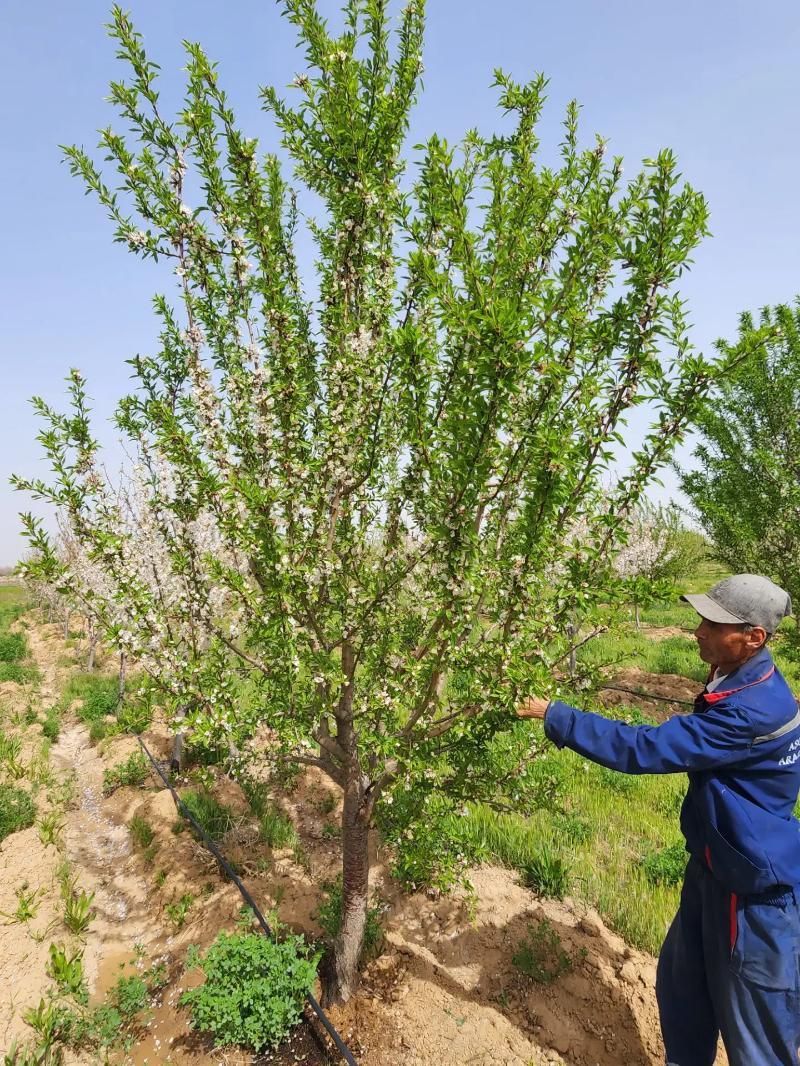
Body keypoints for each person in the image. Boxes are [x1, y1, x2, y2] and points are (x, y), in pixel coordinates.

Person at [517, 574, 800, 1066]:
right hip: (714, 868)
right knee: (683, 985)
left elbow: (644, 749)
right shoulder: (742, 680)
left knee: (758, 1035)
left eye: (714, 624)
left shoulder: (748, 711)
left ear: (754, 637)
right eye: (702, 619)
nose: (698, 630)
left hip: (751, 895)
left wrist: (557, 716)